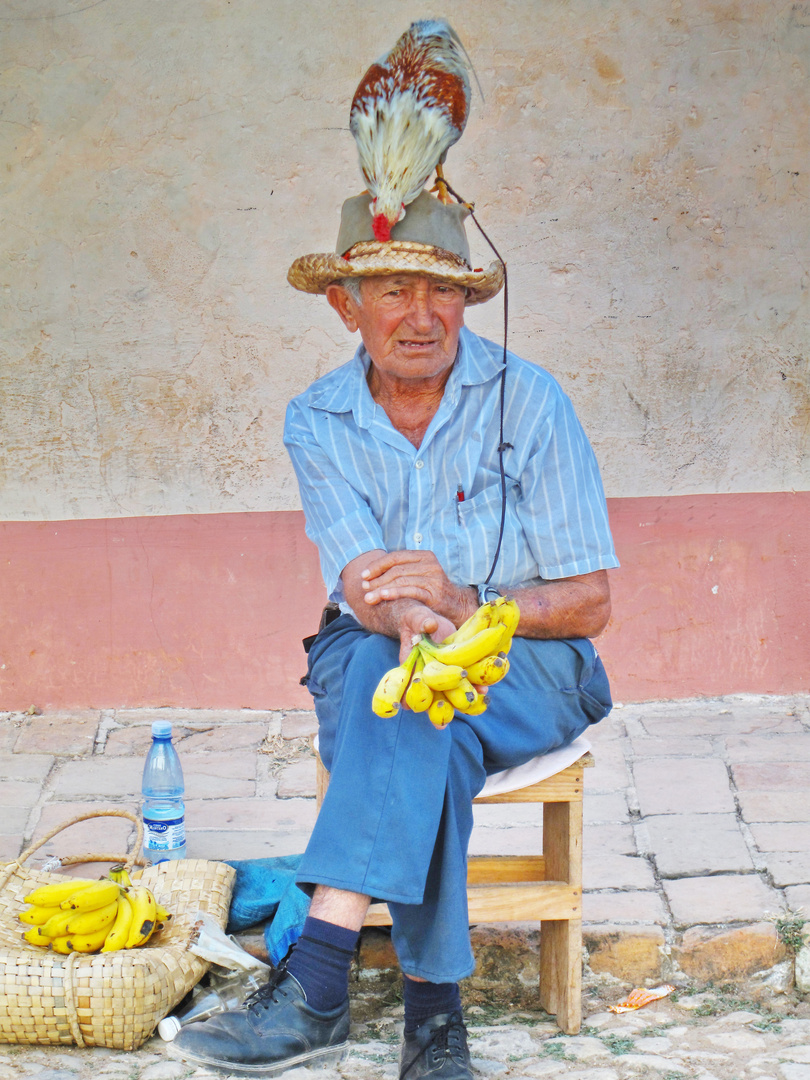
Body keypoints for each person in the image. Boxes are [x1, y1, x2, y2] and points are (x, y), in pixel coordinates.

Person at [170, 189, 619, 1079]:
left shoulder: (528, 402)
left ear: (466, 302)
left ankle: (319, 986)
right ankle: (432, 1023)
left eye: (441, 291)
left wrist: (462, 600)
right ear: (346, 307)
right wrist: (411, 620)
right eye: (391, 292)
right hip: (372, 649)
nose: (421, 317)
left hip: (529, 664)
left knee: (413, 704)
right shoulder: (320, 418)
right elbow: (359, 578)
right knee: (411, 697)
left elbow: (590, 601)